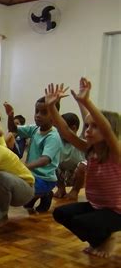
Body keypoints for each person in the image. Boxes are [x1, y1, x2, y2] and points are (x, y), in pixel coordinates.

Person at [47, 78, 121, 258]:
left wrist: (86, 101)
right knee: (61, 213)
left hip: (117, 211)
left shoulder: (115, 153)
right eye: (86, 126)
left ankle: (108, 239)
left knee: (84, 223)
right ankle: (100, 239)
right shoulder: (89, 150)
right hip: (98, 206)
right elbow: (65, 130)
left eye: (94, 127)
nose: (87, 130)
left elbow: (107, 131)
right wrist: (51, 107)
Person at [4, 97, 63, 213]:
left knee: (22, 193)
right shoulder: (35, 129)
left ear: (54, 116)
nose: (38, 115)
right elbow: (13, 129)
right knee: (23, 198)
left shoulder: (53, 136)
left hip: (45, 179)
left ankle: (45, 194)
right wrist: (10, 115)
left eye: (44, 112)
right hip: (32, 175)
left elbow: (45, 160)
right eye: (37, 111)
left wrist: (24, 166)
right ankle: (34, 196)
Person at [54, 112, 86, 200]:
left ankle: (75, 190)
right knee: (51, 162)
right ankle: (61, 189)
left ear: (74, 128)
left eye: (61, 129)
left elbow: (86, 122)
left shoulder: (80, 141)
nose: (59, 132)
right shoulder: (59, 140)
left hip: (77, 174)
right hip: (63, 173)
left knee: (82, 166)